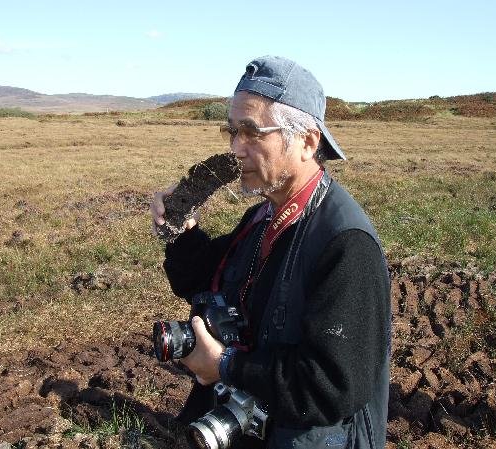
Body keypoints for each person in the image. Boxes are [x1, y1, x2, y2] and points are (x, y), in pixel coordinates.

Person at [151, 55, 391, 449]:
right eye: (231, 131)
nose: (235, 148)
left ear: (308, 141)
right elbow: (198, 281)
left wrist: (225, 365)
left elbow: (331, 387)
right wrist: (181, 228)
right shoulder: (264, 215)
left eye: (251, 132)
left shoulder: (346, 245)